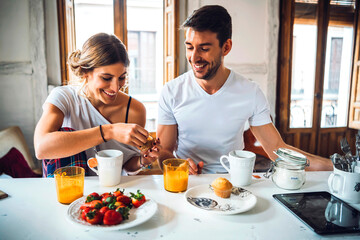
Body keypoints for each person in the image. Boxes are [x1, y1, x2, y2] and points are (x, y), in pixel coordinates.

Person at [157, 5, 333, 174]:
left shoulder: (250, 92)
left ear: (226, 47)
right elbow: (164, 152)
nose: (194, 57)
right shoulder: (171, 92)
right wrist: (178, 165)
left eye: (204, 49)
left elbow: (277, 150)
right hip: (186, 184)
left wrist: (332, 167)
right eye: (189, 47)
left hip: (234, 185)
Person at [34, 33, 161, 177]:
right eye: (106, 78)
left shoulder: (135, 110)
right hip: (70, 191)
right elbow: (41, 148)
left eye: (121, 77)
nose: (115, 87)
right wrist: (109, 131)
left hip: (111, 194)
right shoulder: (64, 98)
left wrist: (142, 160)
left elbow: (126, 165)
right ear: (85, 71)